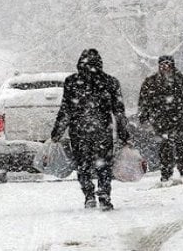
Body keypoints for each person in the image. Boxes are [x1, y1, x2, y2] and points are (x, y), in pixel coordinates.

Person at [51, 49, 129, 211]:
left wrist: (57, 132)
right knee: (104, 165)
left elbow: (66, 109)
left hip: (79, 131)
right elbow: (119, 111)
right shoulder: (110, 82)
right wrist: (124, 134)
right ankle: (104, 195)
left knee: (83, 165)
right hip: (102, 131)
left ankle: (89, 195)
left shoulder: (72, 82)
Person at [138, 55, 183, 182]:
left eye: (168, 64)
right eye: (163, 64)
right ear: (159, 66)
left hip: (180, 118)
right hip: (160, 119)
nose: (165, 67)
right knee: (165, 147)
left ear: (173, 65)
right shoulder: (151, 81)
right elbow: (144, 101)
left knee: (182, 145)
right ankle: (166, 173)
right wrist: (143, 116)